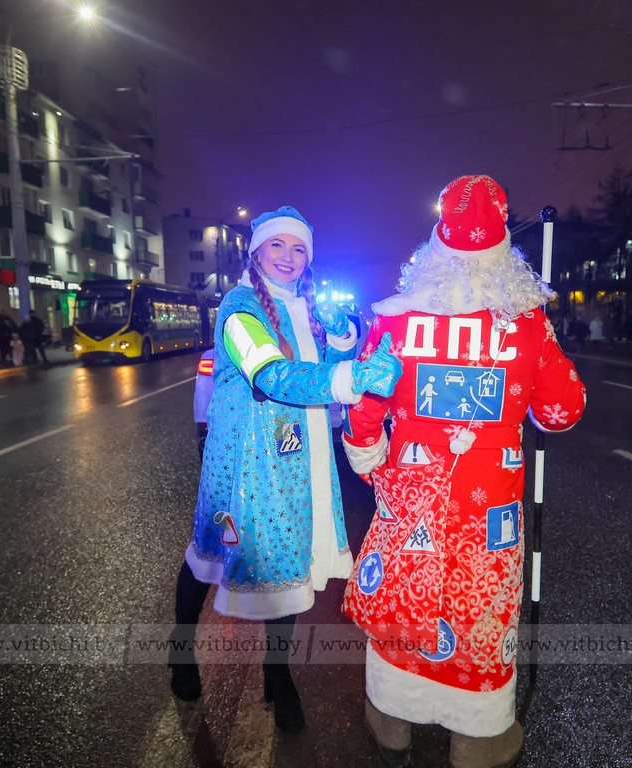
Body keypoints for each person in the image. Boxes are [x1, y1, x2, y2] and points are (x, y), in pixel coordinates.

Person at [341, 176, 586, 768]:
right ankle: (477, 739)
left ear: (436, 247)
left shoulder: (399, 320)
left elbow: (364, 409)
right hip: (489, 507)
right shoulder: (525, 322)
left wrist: (370, 459)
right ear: (504, 251)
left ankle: (391, 722)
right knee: (480, 610)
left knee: (405, 601)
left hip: (412, 497)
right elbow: (562, 411)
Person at [173, 206, 402, 734]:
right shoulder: (239, 307)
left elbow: (338, 350)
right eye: (277, 245)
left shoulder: (305, 304)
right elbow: (270, 373)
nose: (288, 257)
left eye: (299, 249)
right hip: (243, 459)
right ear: (256, 251)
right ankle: (180, 652)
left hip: (298, 454)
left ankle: (277, 676)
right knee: (208, 555)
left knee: (291, 557)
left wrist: (347, 332)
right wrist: (351, 377)